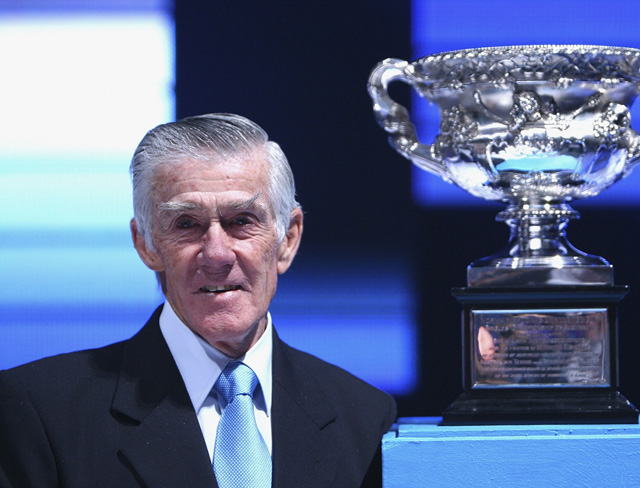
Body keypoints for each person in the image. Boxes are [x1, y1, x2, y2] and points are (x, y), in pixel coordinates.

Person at [0, 113, 397, 487]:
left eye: (241, 221)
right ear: (146, 244)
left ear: (287, 239)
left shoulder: (365, 417)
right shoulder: (40, 412)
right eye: (186, 224)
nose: (217, 254)